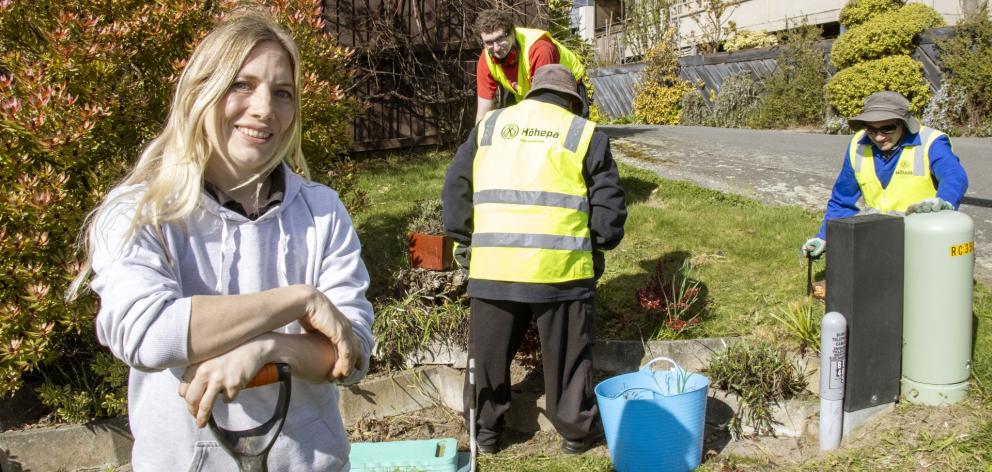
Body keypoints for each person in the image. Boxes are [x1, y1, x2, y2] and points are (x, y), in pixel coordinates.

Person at [67, 13, 374, 471]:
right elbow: (149, 333)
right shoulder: (140, 211)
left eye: (282, 92)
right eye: (242, 85)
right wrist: (298, 302)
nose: (264, 109)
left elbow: (352, 351)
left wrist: (269, 349)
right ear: (199, 92)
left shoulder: (322, 212)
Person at [443, 64, 626, 454]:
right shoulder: (583, 133)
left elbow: (456, 183)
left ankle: (485, 434)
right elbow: (608, 207)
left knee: (487, 358)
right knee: (567, 360)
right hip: (559, 272)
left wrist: (462, 237)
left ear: (532, 93)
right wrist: (599, 244)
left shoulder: (490, 127)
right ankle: (576, 433)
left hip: (494, 267)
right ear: (572, 100)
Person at [802, 91, 969, 258]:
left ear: (904, 123)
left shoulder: (931, 142)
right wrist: (824, 237)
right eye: (871, 129)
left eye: (887, 128)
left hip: (922, 238)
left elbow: (954, 175)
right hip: (877, 236)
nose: (879, 137)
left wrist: (946, 201)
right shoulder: (858, 144)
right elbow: (842, 200)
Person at [474, 9, 588, 124]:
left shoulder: (540, 49)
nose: (496, 48)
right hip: (525, 91)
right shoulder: (486, 58)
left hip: (565, 87)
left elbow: (544, 106)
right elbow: (483, 110)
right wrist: (475, 139)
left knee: (563, 131)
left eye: (500, 38)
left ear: (512, 32)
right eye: (489, 42)